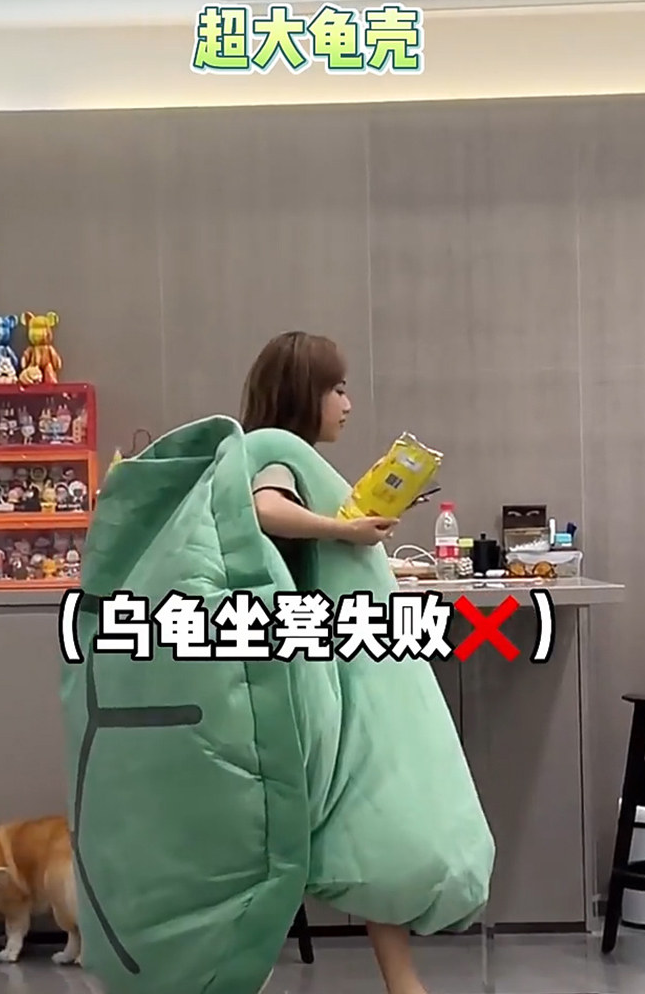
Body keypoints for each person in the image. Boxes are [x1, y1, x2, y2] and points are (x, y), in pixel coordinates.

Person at [242, 330, 430, 994]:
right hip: (295, 680)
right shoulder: (275, 454)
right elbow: (264, 510)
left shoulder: (295, 461)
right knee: (314, 828)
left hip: (312, 670)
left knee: (352, 825)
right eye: (338, 389)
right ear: (305, 394)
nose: (348, 404)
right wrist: (345, 531)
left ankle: (403, 983)